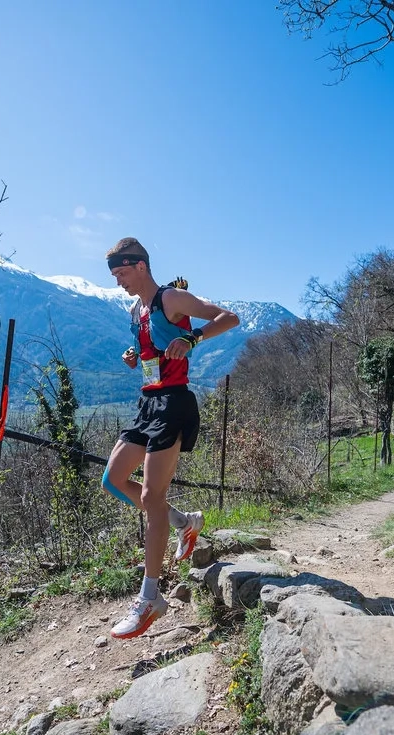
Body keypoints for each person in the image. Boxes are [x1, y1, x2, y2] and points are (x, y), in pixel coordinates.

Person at [101, 237, 239, 639]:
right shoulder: (136, 310)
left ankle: (150, 598)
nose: (119, 282)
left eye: (122, 273)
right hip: (147, 405)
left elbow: (229, 317)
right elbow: (151, 351)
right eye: (114, 276)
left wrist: (193, 338)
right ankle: (184, 522)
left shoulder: (172, 298)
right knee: (112, 479)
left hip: (175, 404)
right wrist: (134, 356)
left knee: (149, 498)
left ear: (140, 266)